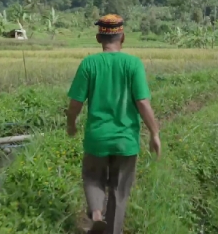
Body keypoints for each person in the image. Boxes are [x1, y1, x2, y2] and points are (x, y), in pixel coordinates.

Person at [64, 14, 161, 234]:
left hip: (97, 138)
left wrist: (71, 124)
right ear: (123, 37)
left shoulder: (89, 64)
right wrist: (154, 133)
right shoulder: (133, 64)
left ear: (99, 38)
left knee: (92, 177)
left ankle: (97, 214)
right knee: (119, 191)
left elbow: (75, 104)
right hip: (126, 140)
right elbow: (143, 103)